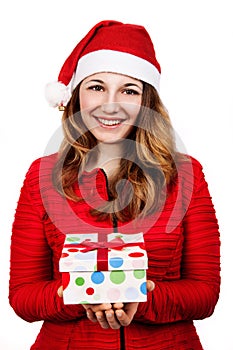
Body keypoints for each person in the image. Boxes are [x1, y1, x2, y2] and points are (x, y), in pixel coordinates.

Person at [9, 20, 220, 350]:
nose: (111, 104)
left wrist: (142, 300)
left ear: (146, 101)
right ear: (76, 96)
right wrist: (76, 296)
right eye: (96, 87)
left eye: (129, 90)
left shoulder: (186, 174)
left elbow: (205, 294)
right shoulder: (41, 177)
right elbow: (23, 296)